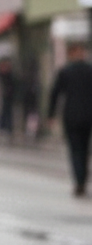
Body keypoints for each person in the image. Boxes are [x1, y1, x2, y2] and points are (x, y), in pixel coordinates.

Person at [47, 42, 92, 196]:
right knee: (84, 150)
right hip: (87, 116)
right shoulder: (89, 70)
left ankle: (79, 180)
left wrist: (51, 114)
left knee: (75, 150)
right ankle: (82, 180)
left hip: (71, 116)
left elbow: (55, 93)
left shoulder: (65, 71)